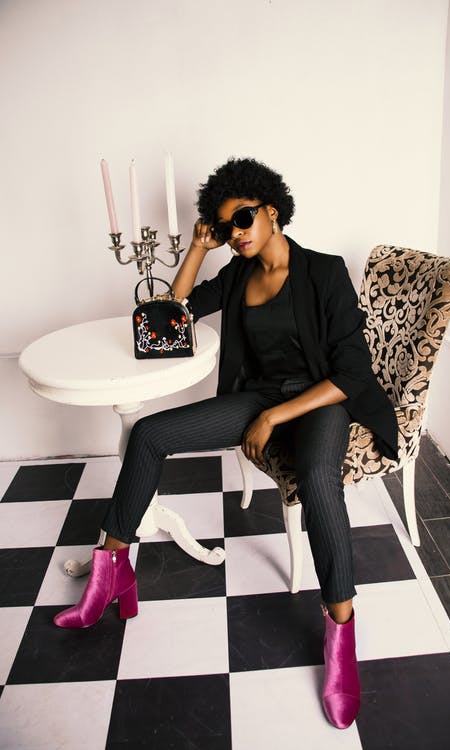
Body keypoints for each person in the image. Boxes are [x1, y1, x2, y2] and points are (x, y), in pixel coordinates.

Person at [53, 157, 398, 729]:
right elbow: (171, 318)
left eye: (242, 218)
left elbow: (353, 374)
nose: (235, 232)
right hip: (257, 397)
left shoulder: (324, 271)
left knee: (317, 479)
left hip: (320, 401)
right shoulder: (237, 274)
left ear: (271, 210)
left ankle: (340, 631)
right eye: (225, 224)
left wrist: (273, 419)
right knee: (149, 433)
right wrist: (197, 249)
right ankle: (112, 568)